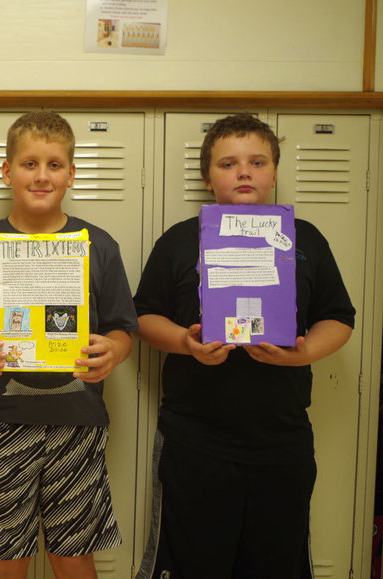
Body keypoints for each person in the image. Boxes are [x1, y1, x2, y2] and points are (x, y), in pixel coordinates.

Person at [133, 114, 355, 578]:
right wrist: (185, 342)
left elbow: (339, 318)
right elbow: (143, 317)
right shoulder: (179, 241)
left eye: (257, 162)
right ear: (208, 177)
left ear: (274, 172)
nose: (244, 172)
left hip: (282, 441)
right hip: (194, 441)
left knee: (276, 565)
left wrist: (303, 354)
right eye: (228, 164)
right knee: (190, 565)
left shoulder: (305, 239)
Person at [0, 111, 138, 579]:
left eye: (54, 164)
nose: (42, 175)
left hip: (78, 421)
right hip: (2, 421)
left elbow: (123, 329)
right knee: (6, 555)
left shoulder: (99, 246)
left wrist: (113, 351)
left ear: (71, 173)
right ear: (7, 171)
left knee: (74, 554)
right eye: (29, 164)